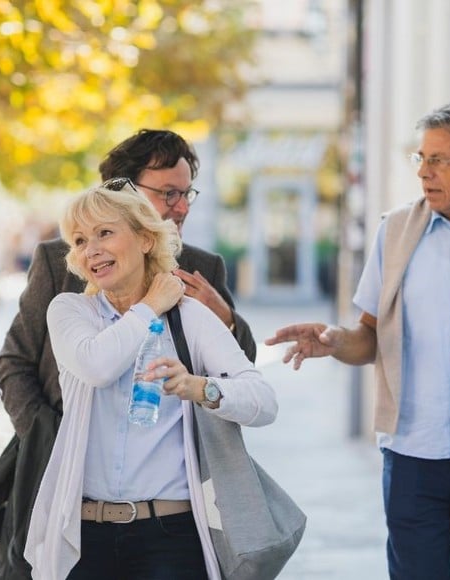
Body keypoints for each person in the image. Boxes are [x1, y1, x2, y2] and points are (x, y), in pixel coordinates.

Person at [264, 101, 450, 580]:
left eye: (439, 160)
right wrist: (334, 341)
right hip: (413, 458)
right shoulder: (396, 232)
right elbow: (370, 338)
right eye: (420, 158)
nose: (424, 172)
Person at [0, 129, 257, 578]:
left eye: (186, 194)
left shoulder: (204, 267)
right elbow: (14, 362)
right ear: (121, 193)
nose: (181, 206)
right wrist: (49, 433)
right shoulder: (59, 262)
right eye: (168, 193)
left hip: (167, 505)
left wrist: (224, 317)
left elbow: (240, 375)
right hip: (59, 476)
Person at [24, 180, 277, 579]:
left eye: (105, 232)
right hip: (85, 536)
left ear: (144, 239)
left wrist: (201, 388)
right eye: (79, 240)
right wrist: (150, 305)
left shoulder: (188, 317)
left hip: (171, 538)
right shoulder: (70, 311)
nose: (91, 250)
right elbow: (97, 366)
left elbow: (264, 402)